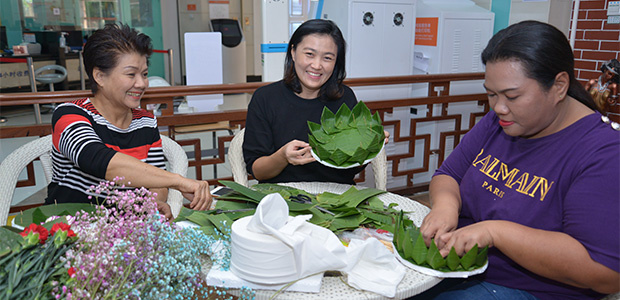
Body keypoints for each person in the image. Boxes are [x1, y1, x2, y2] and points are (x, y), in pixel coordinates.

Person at [417, 21, 619, 300]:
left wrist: (495, 232)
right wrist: (445, 207)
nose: (498, 107)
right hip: (460, 268)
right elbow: (449, 173)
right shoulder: (501, 121)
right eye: (491, 94)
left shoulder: (604, 153)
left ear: (559, 85)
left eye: (512, 96)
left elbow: (605, 273)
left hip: (529, 289)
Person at [45, 24, 212, 219]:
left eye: (145, 74)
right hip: (69, 231)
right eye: (131, 74)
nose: (141, 84)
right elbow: (101, 161)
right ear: (99, 76)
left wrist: (153, 203)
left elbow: (156, 181)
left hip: (126, 233)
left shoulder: (146, 121)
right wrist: (179, 181)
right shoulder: (69, 115)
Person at [243, 19, 387, 184]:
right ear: (293, 52)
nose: (317, 65)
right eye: (309, 54)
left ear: (336, 62)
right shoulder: (265, 98)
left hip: (337, 199)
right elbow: (257, 171)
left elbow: (352, 168)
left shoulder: (344, 97)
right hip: (282, 198)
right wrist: (282, 156)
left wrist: (370, 144)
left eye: (327, 58)